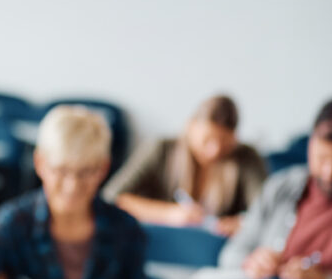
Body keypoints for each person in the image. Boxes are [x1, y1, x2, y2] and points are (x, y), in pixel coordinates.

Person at [0, 105, 146, 279]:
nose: (72, 186)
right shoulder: (14, 220)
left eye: (86, 172)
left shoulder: (127, 229)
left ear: (103, 168)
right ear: (40, 163)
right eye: (61, 170)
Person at [219, 96, 332, 279]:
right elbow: (230, 254)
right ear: (311, 145)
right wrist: (252, 261)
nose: (329, 173)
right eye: (321, 159)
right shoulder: (281, 186)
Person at [103, 95, 266, 236]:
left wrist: (242, 223)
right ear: (190, 126)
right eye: (206, 140)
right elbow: (112, 198)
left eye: (224, 143)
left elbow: (267, 211)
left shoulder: (247, 158)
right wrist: (168, 214)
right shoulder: (160, 149)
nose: (214, 151)